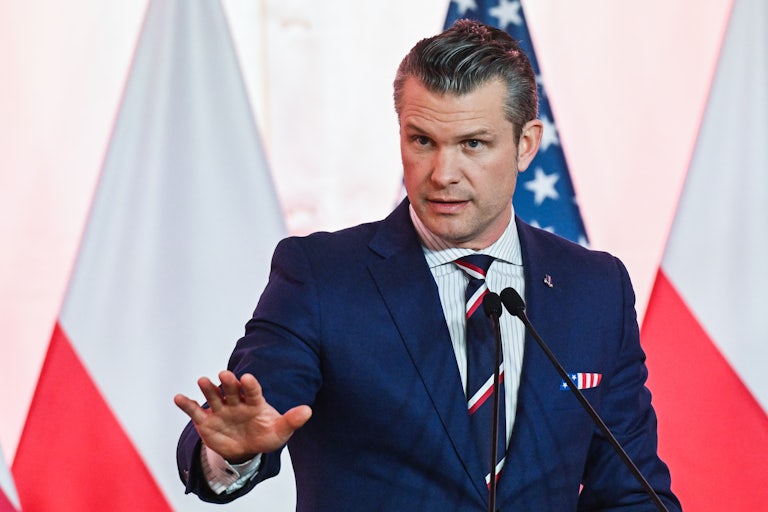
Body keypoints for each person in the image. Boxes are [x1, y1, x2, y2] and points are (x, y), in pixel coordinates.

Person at [174, 19, 682, 511]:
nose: (443, 174)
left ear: (525, 145)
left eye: (472, 145)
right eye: (422, 141)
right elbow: (255, 411)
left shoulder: (595, 287)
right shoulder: (320, 276)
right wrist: (233, 453)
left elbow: (632, 491)